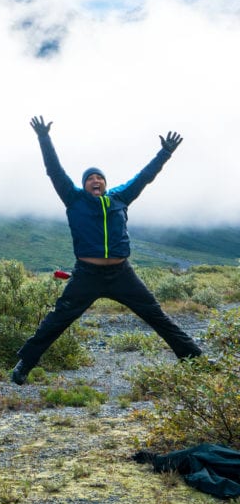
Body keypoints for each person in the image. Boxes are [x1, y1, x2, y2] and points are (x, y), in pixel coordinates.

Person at [11, 116, 202, 385]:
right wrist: (44, 137)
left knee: (156, 315)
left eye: (99, 177)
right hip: (87, 274)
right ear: (84, 184)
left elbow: (144, 177)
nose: (95, 180)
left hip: (122, 274)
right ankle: (24, 365)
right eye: (90, 178)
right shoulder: (73, 198)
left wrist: (165, 153)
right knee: (57, 320)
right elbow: (54, 170)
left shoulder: (120, 197)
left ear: (105, 183)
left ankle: (194, 359)